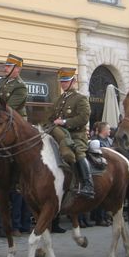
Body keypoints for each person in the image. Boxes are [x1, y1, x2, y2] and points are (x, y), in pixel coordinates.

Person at [48, 67, 93, 198]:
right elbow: (51, 117)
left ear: (73, 81)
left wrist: (64, 122)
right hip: (58, 134)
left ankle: (88, 184)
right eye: (61, 81)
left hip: (76, 135)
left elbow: (84, 118)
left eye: (66, 81)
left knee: (78, 152)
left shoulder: (80, 98)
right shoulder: (59, 99)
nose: (63, 84)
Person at [0, 53, 28, 119]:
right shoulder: (1, 81)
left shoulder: (20, 86)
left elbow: (8, 108)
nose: (5, 68)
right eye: (5, 66)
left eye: (9, 66)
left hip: (15, 121)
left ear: (17, 68)